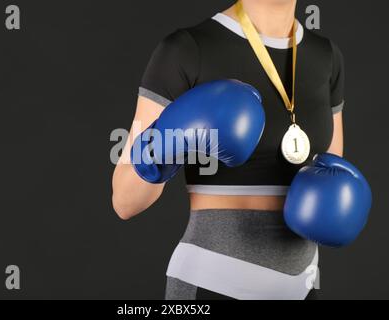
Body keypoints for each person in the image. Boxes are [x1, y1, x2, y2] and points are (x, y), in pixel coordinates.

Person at [112, 0, 344, 300]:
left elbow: (332, 166)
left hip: (303, 286)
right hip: (213, 282)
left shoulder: (326, 56)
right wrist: (166, 141)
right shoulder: (188, 49)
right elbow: (125, 201)